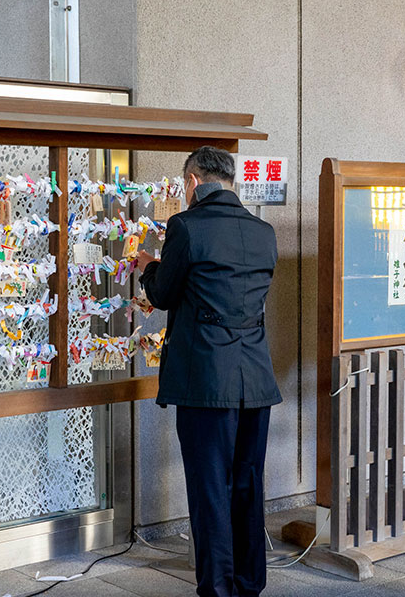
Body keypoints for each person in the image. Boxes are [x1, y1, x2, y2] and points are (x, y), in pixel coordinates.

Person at [136, 146, 281, 597]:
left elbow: (163, 292)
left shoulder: (186, 227)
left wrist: (148, 269)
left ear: (194, 181)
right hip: (255, 378)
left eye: (183, 186)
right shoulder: (264, 232)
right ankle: (249, 581)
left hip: (206, 382)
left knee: (208, 488)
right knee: (247, 482)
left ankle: (217, 587)